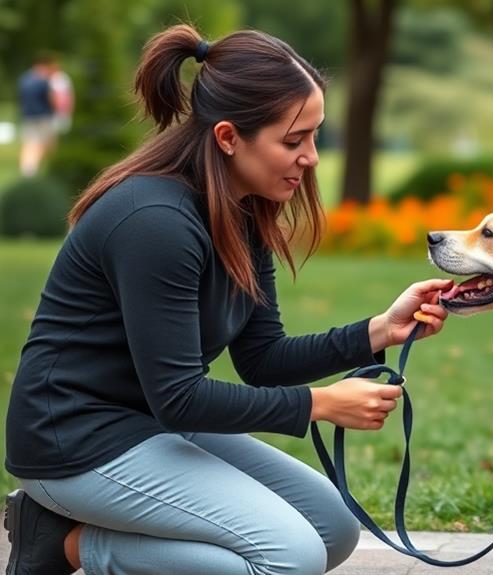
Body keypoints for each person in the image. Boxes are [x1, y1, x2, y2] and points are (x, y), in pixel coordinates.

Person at [3, 25, 452, 575]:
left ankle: (73, 535)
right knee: (290, 555)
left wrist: (381, 329)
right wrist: (319, 404)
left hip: (153, 424)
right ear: (227, 137)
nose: (310, 157)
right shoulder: (154, 223)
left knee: (331, 529)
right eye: (293, 140)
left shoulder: (242, 209)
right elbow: (179, 397)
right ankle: (65, 544)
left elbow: (262, 360)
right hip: (74, 443)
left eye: (314, 136)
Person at [16, 53, 58, 176]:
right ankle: (40, 168)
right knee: (42, 143)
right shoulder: (43, 81)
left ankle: (27, 168)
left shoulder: (23, 79)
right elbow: (51, 99)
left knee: (29, 142)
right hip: (43, 115)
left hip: (27, 115)